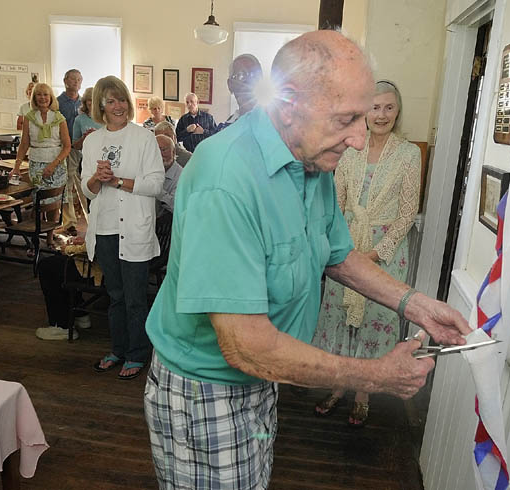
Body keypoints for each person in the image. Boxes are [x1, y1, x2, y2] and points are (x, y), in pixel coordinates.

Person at [144, 30, 471, 489]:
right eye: (347, 119)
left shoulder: (310, 160)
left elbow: (337, 254)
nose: (359, 138)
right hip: (208, 392)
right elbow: (246, 344)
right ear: (291, 102)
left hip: (262, 378)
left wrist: (415, 304)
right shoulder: (226, 176)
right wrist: (374, 375)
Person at [312, 80, 422, 427]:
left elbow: (408, 213)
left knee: (373, 322)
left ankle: (364, 395)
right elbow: (336, 201)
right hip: (347, 246)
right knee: (339, 319)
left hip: (385, 252)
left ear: (398, 111)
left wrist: (376, 253)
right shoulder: (350, 148)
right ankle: (339, 387)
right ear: (365, 111)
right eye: (375, 107)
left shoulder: (409, 154)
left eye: (389, 107)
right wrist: (339, 248)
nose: (382, 114)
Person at [80, 76, 165, 381]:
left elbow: (156, 184)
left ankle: (138, 353)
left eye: (122, 100)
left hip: (135, 227)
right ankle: (118, 349)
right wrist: (96, 179)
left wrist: (116, 180)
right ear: (100, 106)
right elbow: (87, 190)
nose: (118, 106)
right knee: (114, 295)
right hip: (104, 228)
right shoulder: (92, 141)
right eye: (111, 101)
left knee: (135, 297)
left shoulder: (143, 138)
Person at [10, 82, 71, 246]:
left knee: (52, 203)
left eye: (46, 94)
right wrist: (16, 166)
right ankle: (35, 239)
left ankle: (50, 237)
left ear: (51, 97)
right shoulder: (29, 117)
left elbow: (67, 146)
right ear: (34, 98)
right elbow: (24, 144)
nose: (43, 98)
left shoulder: (59, 118)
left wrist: (53, 164)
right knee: (37, 202)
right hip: (36, 163)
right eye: (39, 95)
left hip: (56, 165)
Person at [34, 236, 97, 341]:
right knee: (62, 262)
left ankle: (62, 326)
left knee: (47, 267)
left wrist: (69, 249)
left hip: (100, 270)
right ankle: (79, 314)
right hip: (106, 265)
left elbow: (105, 242)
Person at [57, 69, 83, 235]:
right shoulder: (57, 102)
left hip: (80, 148)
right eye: (73, 79)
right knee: (67, 183)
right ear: (65, 81)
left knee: (77, 181)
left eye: (79, 79)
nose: (76, 82)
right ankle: (69, 222)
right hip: (63, 147)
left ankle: (81, 217)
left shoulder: (84, 102)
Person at [216, 53, 262, 132]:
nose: (248, 82)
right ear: (230, 85)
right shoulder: (224, 130)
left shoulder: (279, 126)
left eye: (254, 75)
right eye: (241, 75)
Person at [154, 134, 182, 215]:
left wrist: (155, 189)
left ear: (173, 152)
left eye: (163, 150)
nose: (159, 154)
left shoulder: (181, 176)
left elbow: (175, 206)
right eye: (155, 150)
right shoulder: (147, 170)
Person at [71, 87, 102, 152]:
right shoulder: (79, 119)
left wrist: (97, 135)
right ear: (85, 102)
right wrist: (84, 138)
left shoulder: (107, 118)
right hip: (86, 158)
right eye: (90, 100)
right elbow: (75, 146)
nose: (92, 103)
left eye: (95, 100)